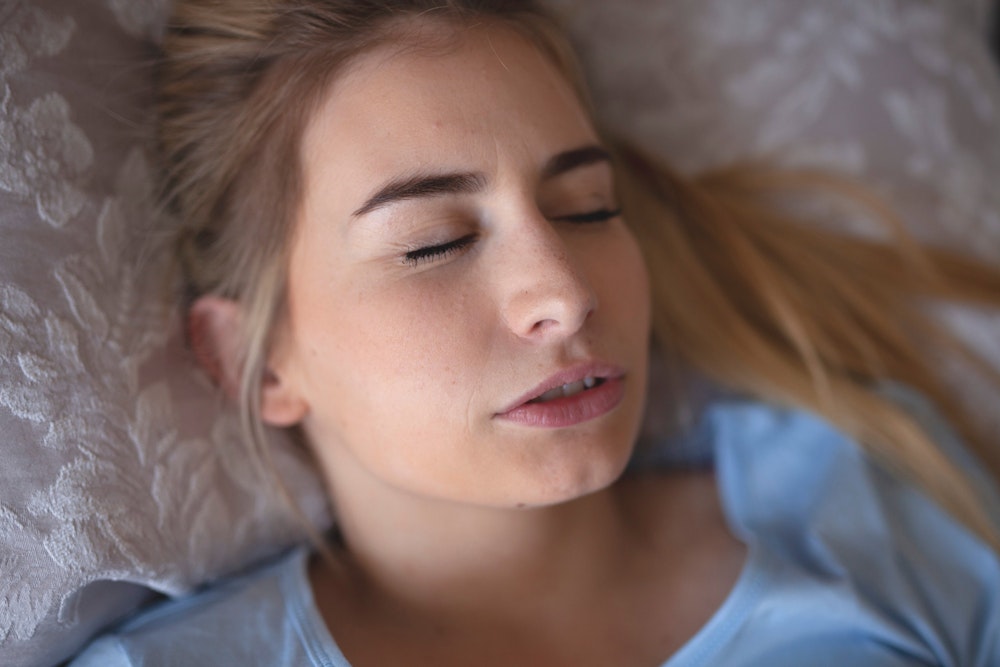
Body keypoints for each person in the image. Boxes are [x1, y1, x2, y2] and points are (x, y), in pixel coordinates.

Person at [72, 0, 1000, 664]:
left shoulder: (870, 510)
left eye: (588, 208)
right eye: (434, 243)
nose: (563, 292)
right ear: (253, 359)